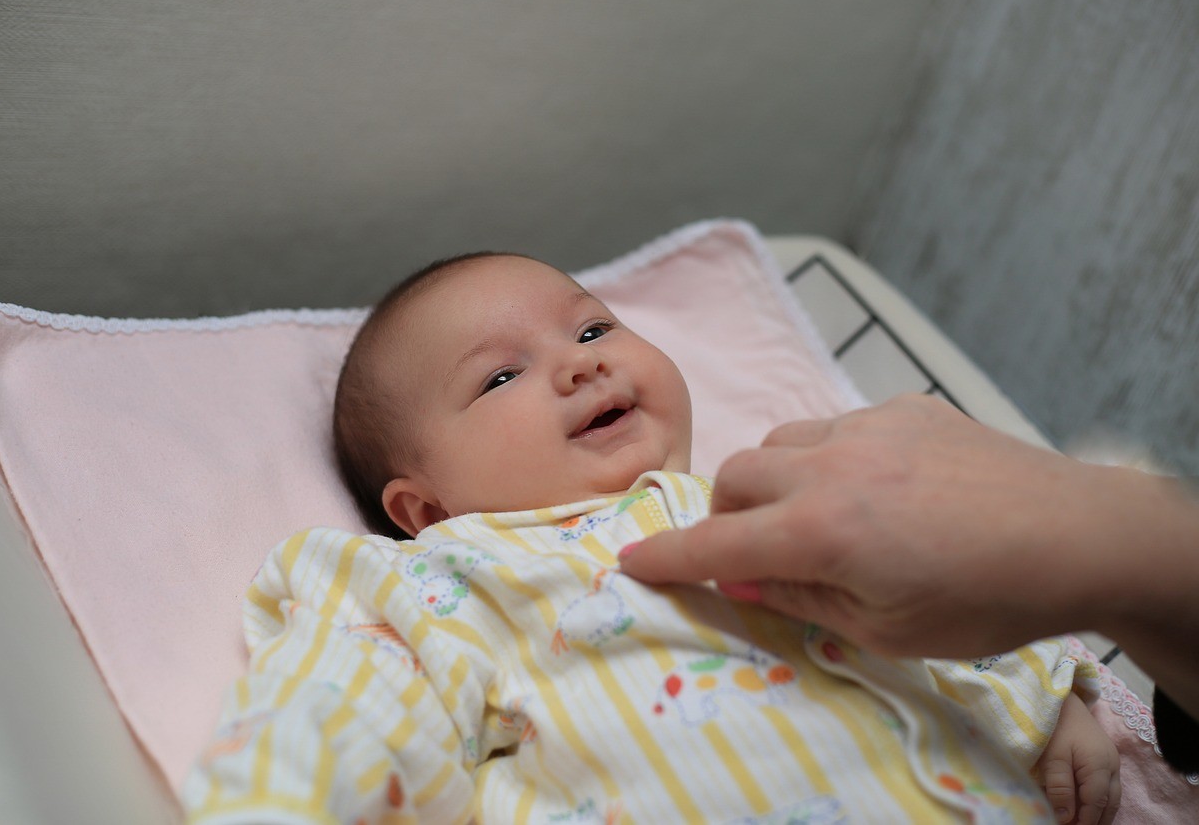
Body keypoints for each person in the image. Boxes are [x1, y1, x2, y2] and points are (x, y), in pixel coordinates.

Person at [182, 254, 1120, 824]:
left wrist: (1043, 692)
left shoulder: (770, 492)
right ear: (424, 509)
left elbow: (934, 577)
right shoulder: (452, 580)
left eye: (592, 327)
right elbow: (340, 710)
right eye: (500, 377)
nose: (579, 362)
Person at [616, 393, 1199, 772]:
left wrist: (1043, 709)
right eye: (517, 373)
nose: (581, 364)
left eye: (594, 330)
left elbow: (954, 606)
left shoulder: (758, 504)